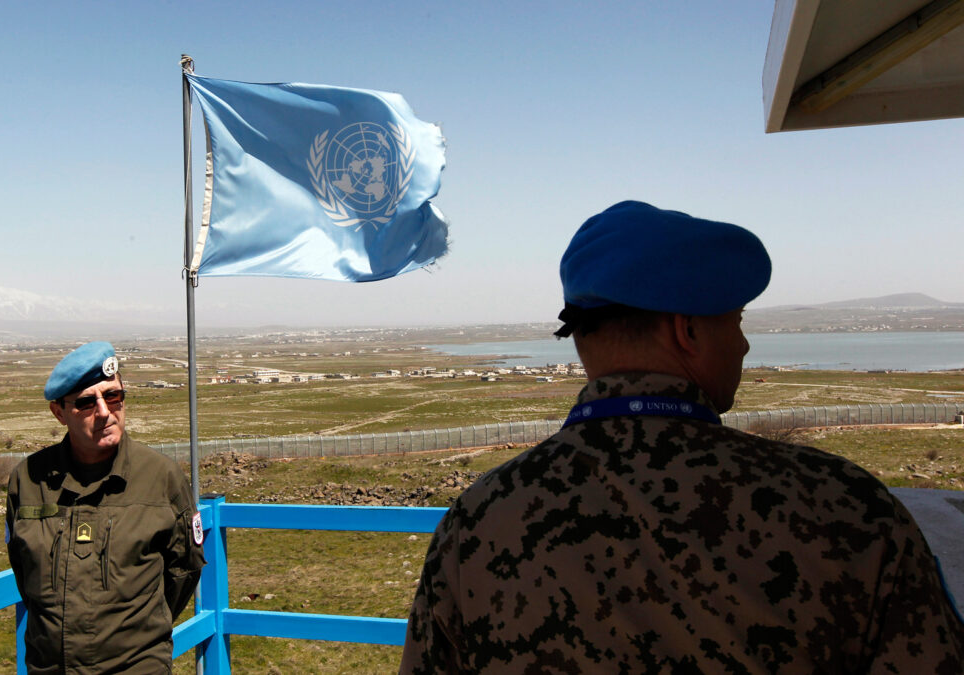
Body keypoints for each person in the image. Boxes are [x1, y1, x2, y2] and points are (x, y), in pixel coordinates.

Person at [400, 201, 964, 673]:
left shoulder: (478, 520)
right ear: (688, 330)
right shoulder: (844, 507)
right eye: (738, 319)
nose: (744, 346)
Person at [6, 341, 205, 674]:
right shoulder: (28, 480)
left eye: (113, 396)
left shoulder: (161, 477)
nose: (104, 411)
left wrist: (136, 634)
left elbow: (183, 571)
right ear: (59, 413)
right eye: (86, 403)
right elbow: (25, 574)